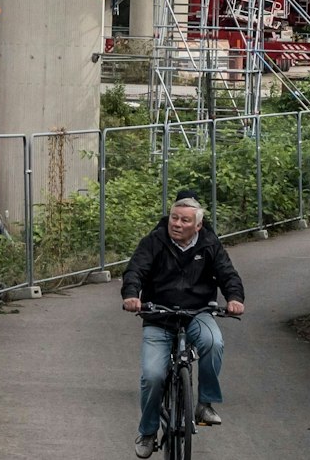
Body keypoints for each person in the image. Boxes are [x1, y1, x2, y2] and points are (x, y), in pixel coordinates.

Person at [121, 193, 245, 458]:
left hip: (197, 313)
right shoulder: (154, 241)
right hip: (159, 316)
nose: (177, 224)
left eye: (184, 220)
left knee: (213, 342)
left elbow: (228, 274)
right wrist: (131, 295)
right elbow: (135, 270)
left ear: (198, 226)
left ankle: (204, 404)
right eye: (174, 218)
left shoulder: (210, 244)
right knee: (153, 376)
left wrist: (235, 298)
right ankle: (148, 431)